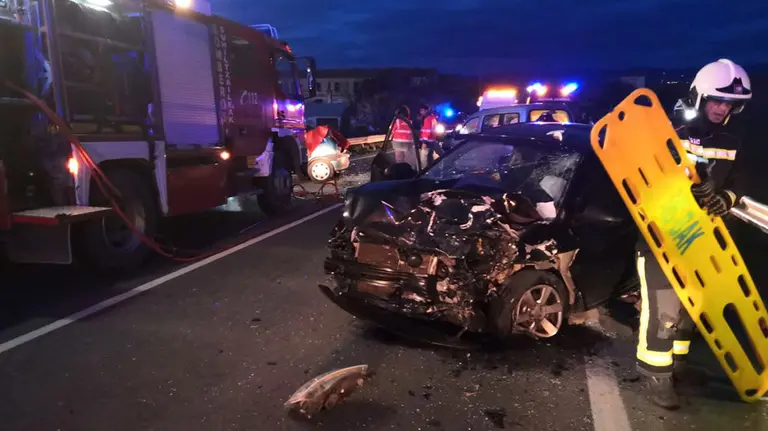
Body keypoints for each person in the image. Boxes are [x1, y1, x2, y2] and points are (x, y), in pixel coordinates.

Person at [636, 58, 751, 410]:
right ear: (700, 97)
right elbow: (647, 178)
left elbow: (741, 180)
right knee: (664, 310)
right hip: (663, 234)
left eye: (729, 103)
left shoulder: (733, 137)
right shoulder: (670, 131)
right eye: (716, 100)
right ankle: (655, 374)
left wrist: (724, 198)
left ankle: (678, 364)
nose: (722, 108)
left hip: (703, 238)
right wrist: (689, 188)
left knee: (692, 307)